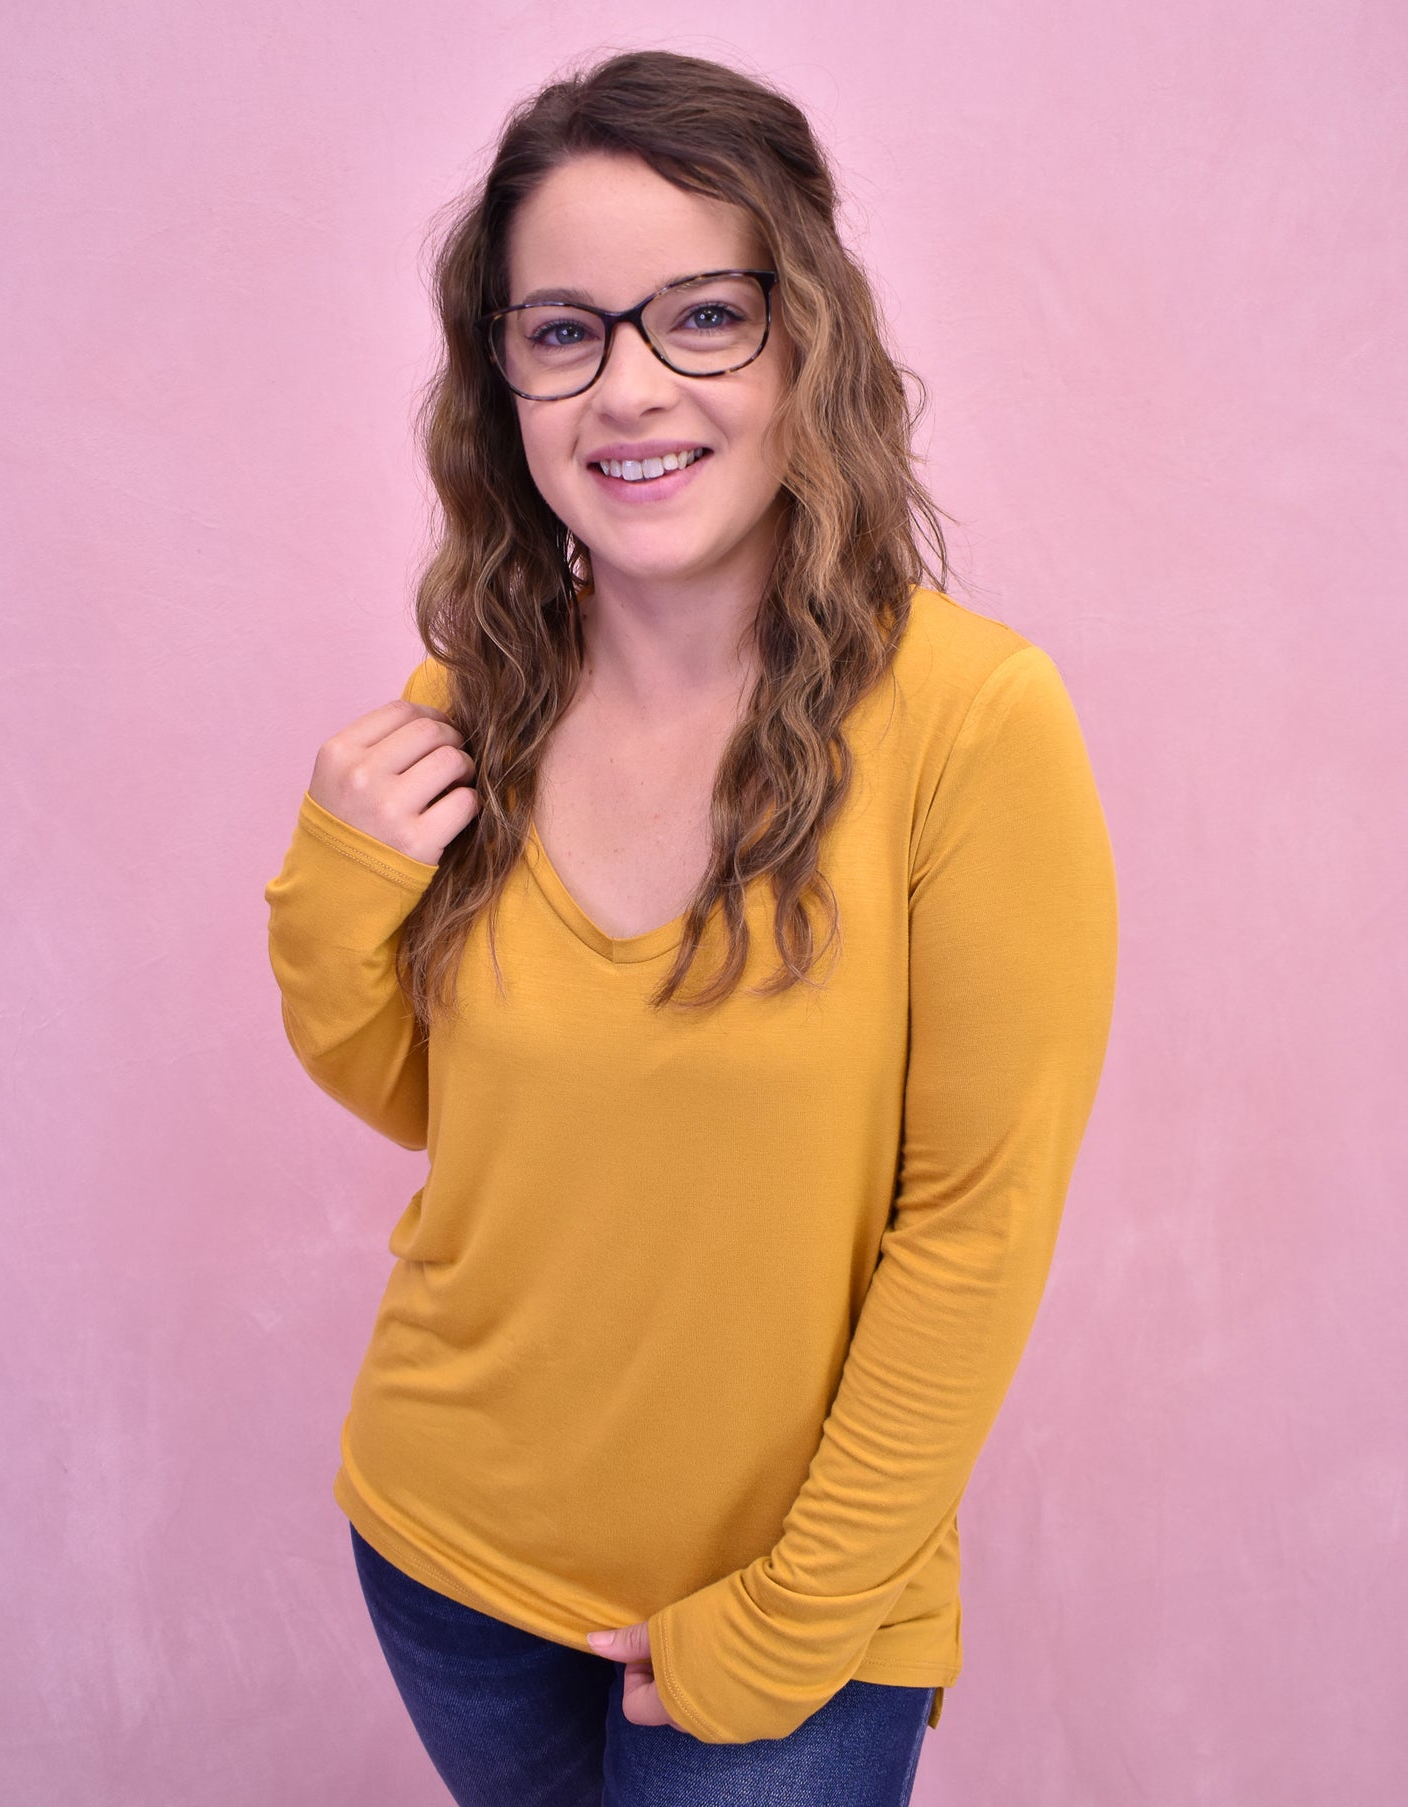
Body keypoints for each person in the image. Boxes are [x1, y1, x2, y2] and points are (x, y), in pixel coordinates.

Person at [263, 47, 1118, 1807]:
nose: (626, 390)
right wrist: (334, 881)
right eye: (561, 330)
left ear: (803, 334)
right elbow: (442, 1103)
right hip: (444, 1551)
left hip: (787, 1615)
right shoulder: (472, 700)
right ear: (502, 374)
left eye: (700, 316)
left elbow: (972, 1222)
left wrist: (793, 1623)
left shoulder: (968, 717)